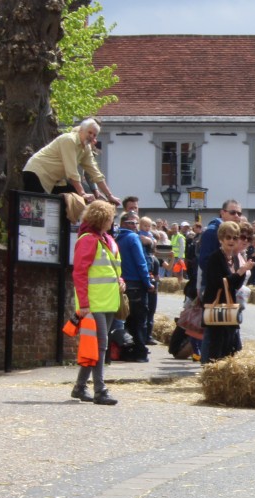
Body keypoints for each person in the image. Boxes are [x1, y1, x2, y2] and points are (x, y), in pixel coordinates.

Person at [70, 201, 122, 405]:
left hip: (107, 300)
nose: (112, 220)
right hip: (93, 303)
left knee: (96, 345)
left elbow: (114, 268)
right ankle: (100, 390)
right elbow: (79, 273)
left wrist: (121, 280)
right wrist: (83, 304)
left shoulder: (105, 239)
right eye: (110, 217)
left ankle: (80, 387)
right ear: (102, 218)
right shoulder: (88, 240)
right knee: (101, 345)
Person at [22, 119, 121, 206]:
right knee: (36, 210)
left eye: (94, 135)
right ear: (81, 130)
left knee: (74, 194)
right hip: (36, 174)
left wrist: (110, 196)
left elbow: (96, 173)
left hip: (52, 181)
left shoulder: (85, 148)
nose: (91, 136)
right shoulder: (69, 140)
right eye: (89, 132)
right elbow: (72, 172)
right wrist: (82, 194)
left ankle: (69, 224)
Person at [202, 221, 254, 361]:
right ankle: (212, 373)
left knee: (231, 346)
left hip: (229, 306)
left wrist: (242, 272)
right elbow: (219, 282)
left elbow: (234, 285)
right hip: (217, 306)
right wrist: (241, 271)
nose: (232, 241)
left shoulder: (234, 258)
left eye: (235, 238)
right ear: (221, 239)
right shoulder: (215, 257)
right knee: (217, 346)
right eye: (228, 237)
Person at [116, 211, 154, 362]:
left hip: (123, 283)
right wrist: (148, 282)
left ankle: (127, 351)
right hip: (136, 285)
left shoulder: (116, 238)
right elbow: (140, 262)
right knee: (139, 321)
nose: (136, 226)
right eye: (134, 223)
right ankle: (140, 353)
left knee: (126, 320)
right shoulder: (133, 238)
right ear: (127, 223)